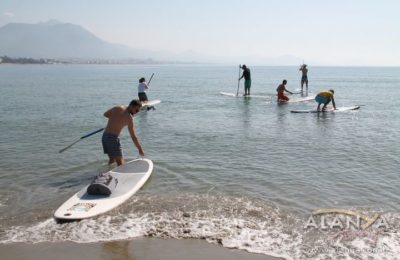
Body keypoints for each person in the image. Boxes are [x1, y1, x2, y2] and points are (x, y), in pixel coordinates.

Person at [102, 99, 144, 166]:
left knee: (112, 159)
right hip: (112, 139)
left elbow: (105, 114)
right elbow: (133, 136)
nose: (137, 112)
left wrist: (114, 120)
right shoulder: (129, 118)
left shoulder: (117, 107)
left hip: (105, 136)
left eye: (138, 111)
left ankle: (108, 173)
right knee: (120, 163)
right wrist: (140, 149)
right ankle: (115, 176)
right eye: (136, 110)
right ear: (131, 106)